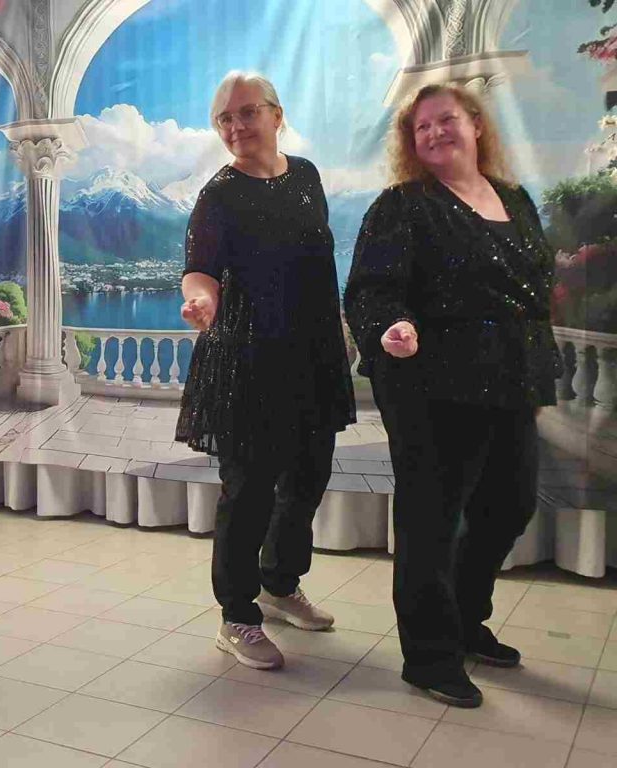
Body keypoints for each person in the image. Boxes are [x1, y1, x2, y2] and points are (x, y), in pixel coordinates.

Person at [344, 83, 560, 708]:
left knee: (510, 506)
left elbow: (532, 290)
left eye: (446, 120)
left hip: (511, 381)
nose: (435, 132)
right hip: (431, 385)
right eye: (422, 127)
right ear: (411, 143)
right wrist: (391, 325)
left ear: (476, 125)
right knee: (430, 524)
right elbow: (370, 290)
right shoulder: (402, 205)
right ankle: (430, 656)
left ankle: (466, 620)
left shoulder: (514, 198)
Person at [176, 71, 355, 670]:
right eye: (224, 118)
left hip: (311, 358)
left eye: (247, 112)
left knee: (306, 482)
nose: (236, 127)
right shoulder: (219, 195)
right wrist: (201, 300)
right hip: (246, 361)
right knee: (248, 492)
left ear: (277, 115)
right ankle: (237, 616)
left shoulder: (306, 177)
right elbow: (200, 268)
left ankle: (280, 584)